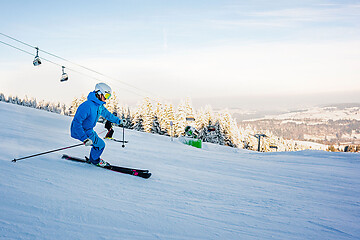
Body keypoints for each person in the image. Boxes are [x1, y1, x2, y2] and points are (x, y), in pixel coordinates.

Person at [70, 83, 125, 167]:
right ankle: (95, 160)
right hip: (80, 131)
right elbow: (76, 123)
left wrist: (119, 121)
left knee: (99, 145)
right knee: (100, 145)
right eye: (106, 95)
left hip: (89, 130)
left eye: (109, 96)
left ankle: (93, 159)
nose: (107, 99)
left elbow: (107, 115)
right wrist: (84, 138)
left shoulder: (99, 106)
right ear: (99, 93)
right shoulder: (87, 106)